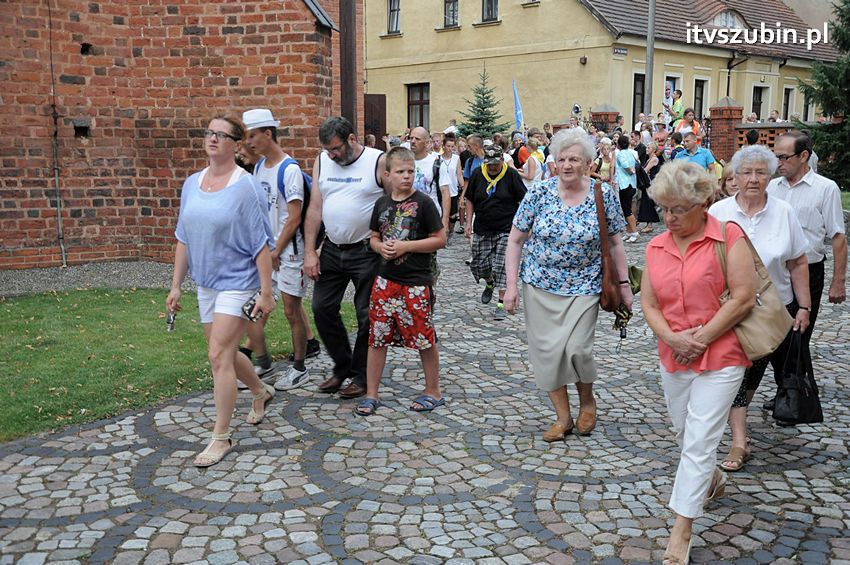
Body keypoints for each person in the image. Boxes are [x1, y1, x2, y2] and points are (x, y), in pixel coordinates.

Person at [641, 160, 757, 565]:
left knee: (700, 438)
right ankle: (713, 479)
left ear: (704, 202)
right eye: (664, 209)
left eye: (678, 209)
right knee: (683, 432)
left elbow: (743, 297)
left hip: (722, 354)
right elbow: (649, 303)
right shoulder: (656, 246)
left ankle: (682, 529)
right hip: (674, 354)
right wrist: (672, 338)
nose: (669, 217)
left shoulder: (728, 236)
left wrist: (702, 337)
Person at [503, 128, 631, 442]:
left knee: (577, 350)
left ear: (589, 163)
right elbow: (515, 240)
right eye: (562, 159)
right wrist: (511, 286)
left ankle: (587, 399)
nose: (567, 164)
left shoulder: (603, 194)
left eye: (574, 159)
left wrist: (625, 285)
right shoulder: (539, 192)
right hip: (539, 284)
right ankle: (563, 418)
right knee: (547, 355)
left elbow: (615, 244)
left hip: (586, 285)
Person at [166, 114, 277, 467]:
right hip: (207, 283)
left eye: (222, 135)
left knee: (218, 356)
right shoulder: (191, 184)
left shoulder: (245, 187)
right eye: (209, 133)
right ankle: (261, 391)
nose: (213, 139)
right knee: (224, 354)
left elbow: (261, 244)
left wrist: (266, 291)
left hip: (239, 282)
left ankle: (221, 437)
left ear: (235, 144)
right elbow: (183, 238)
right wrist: (175, 287)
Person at [709, 145, 811, 471]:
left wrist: (804, 306)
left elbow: (797, 262)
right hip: (727, 312)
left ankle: (737, 428)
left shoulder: (784, 212)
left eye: (760, 172)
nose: (753, 179)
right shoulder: (719, 213)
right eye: (747, 172)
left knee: (751, 378)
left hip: (770, 311)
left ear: (770, 176)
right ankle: (740, 441)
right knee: (736, 375)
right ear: (734, 177)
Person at [354, 147, 447, 416]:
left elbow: (440, 239)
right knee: (377, 337)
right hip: (385, 282)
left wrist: (408, 246)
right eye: (400, 172)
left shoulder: (424, 203)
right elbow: (373, 236)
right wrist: (379, 247)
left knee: (423, 337)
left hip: (416, 282)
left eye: (410, 171)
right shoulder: (382, 204)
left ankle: (433, 390)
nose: (406, 177)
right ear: (387, 175)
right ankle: (371, 393)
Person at [304, 116, 386, 400]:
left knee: (367, 315)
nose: (332, 154)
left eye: (336, 148)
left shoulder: (377, 161)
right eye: (328, 149)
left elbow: (395, 202)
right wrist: (309, 252)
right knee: (322, 308)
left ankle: (362, 376)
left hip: (366, 250)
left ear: (352, 139)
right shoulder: (323, 161)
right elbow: (315, 208)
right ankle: (342, 367)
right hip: (332, 248)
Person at [766, 131, 847, 409]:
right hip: (776, 274)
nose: (779, 163)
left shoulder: (826, 189)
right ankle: (785, 392)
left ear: (804, 156)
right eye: (776, 157)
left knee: (798, 336)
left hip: (809, 271)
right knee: (775, 335)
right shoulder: (773, 188)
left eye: (784, 157)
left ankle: (792, 395)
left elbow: (837, 236)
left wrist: (838, 281)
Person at [241, 108, 319, 392]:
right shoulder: (260, 167)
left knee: (290, 310)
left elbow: (294, 217)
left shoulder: (290, 170)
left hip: (289, 254)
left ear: (267, 134)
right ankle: (264, 364)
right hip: (267, 251)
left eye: (252, 136)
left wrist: (276, 251)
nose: (248, 142)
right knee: (252, 308)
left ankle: (299, 368)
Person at [465, 145, 527, 320]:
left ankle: (500, 304)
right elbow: (469, 199)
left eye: (495, 164)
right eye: (489, 164)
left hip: (506, 228)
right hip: (482, 227)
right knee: (479, 265)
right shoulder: (478, 173)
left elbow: (524, 200)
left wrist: (523, 226)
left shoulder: (511, 175)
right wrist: (468, 222)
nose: (492, 167)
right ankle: (489, 283)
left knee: (501, 266)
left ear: (502, 160)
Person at [614, 135, 640, 242]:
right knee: (626, 208)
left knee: (627, 210)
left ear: (618, 144)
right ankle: (629, 232)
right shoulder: (631, 152)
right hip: (632, 184)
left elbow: (626, 167)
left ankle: (634, 232)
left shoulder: (620, 154)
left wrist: (631, 171)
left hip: (625, 184)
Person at [637, 142, 662, 233]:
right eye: (647, 147)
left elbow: (645, 170)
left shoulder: (654, 159)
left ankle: (649, 225)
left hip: (651, 183)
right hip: (648, 183)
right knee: (646, 202)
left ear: (654, 150)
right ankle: (646, 223)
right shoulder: (649, 159)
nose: (647, 149)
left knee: (648, 203)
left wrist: (638, 165)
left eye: (649, 148)